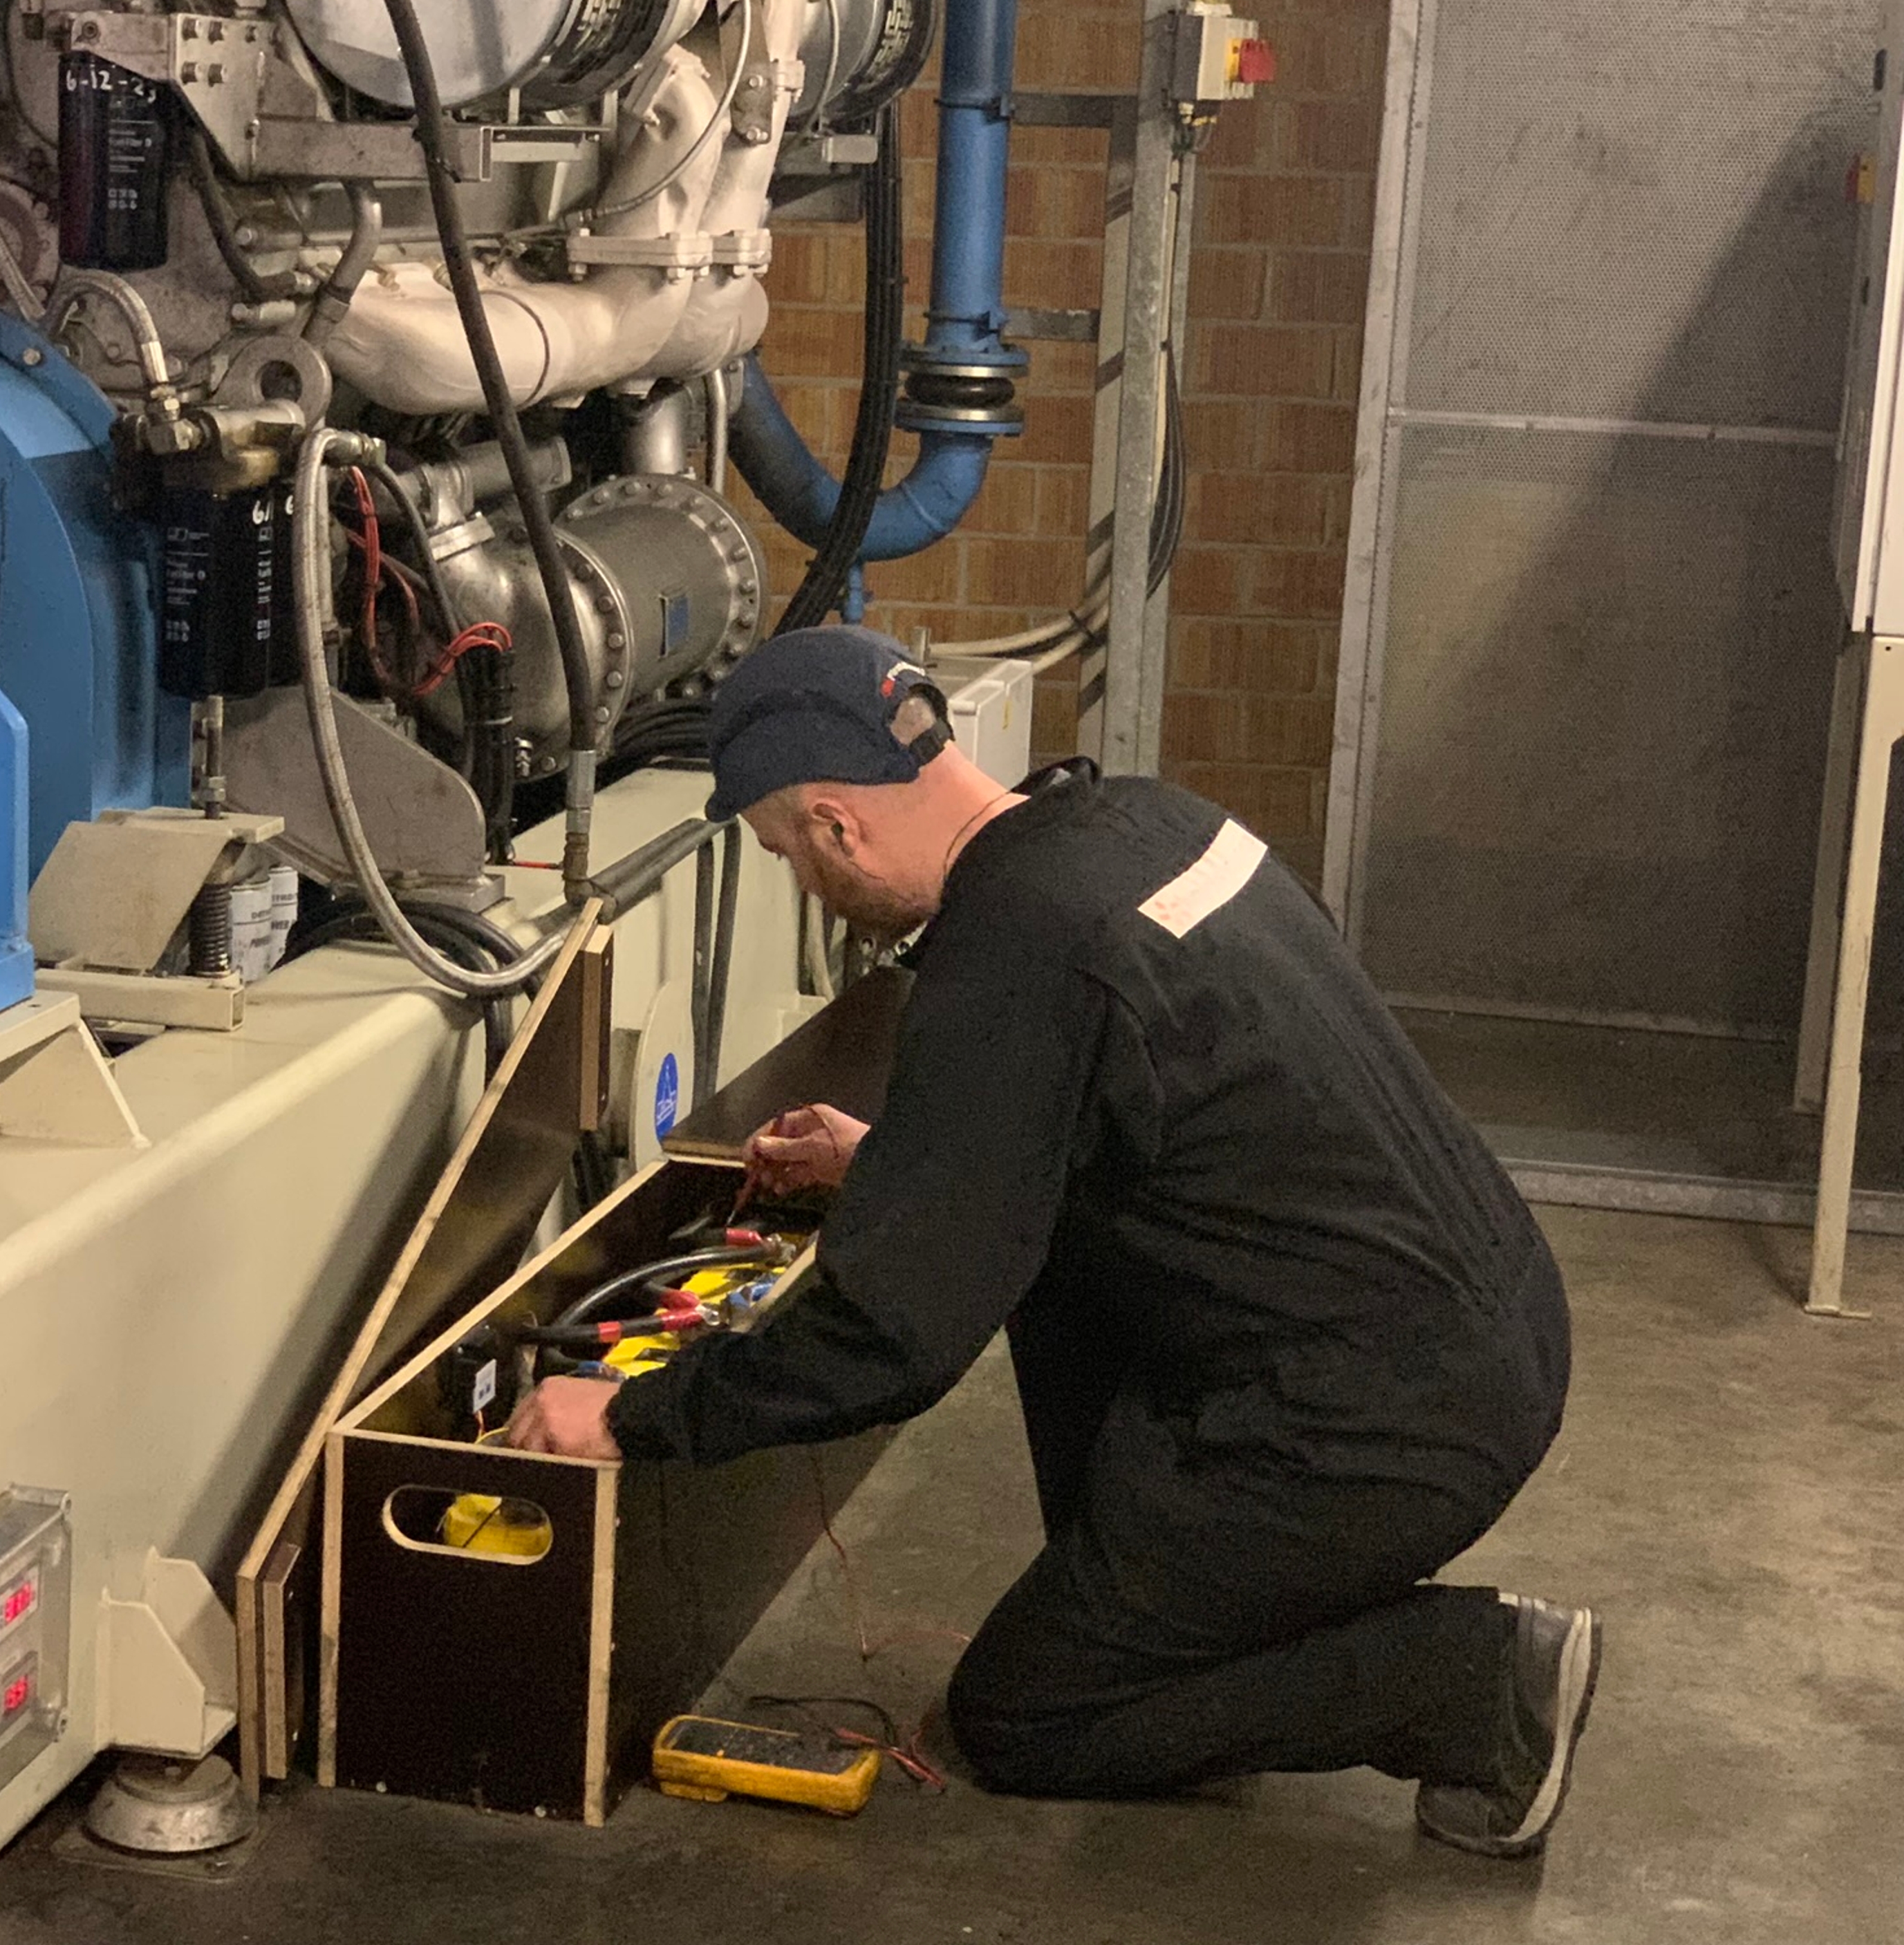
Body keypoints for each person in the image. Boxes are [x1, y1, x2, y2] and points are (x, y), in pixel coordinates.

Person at [505, 626, 1596, 1859]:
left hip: (1372, 1424)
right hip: (1484, 1322)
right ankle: (1187, 1614)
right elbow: (1174, 1101)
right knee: (1083, 1399)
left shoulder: (1011, 954)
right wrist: (916, 1163)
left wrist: (636, 1417)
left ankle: (1476, 1683)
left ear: (835, 825)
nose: (809, 889)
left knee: (1030, 1715)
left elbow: (891, 1341)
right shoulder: (1136, 822)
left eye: (786, 857)